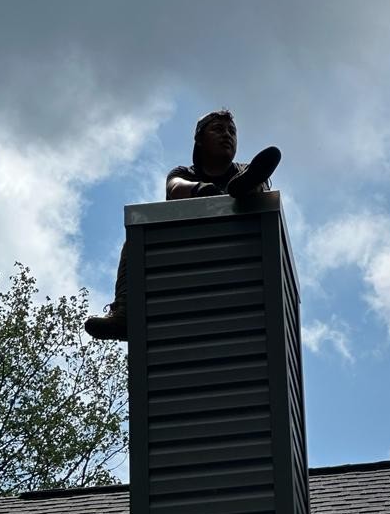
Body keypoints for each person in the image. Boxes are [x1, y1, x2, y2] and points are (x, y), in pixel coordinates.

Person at [84, 110, 280, 341]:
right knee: (134, 242)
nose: (227, 135)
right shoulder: (184, 173)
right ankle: (125, 313)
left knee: (257, 188)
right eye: (218, 129)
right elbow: (174, 187)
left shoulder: (245, 168)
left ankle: (245, 188)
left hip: (243, 242)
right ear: (199, 139)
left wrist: (250, 183)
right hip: (193, 246)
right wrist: (200, 190)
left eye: (232, 131)